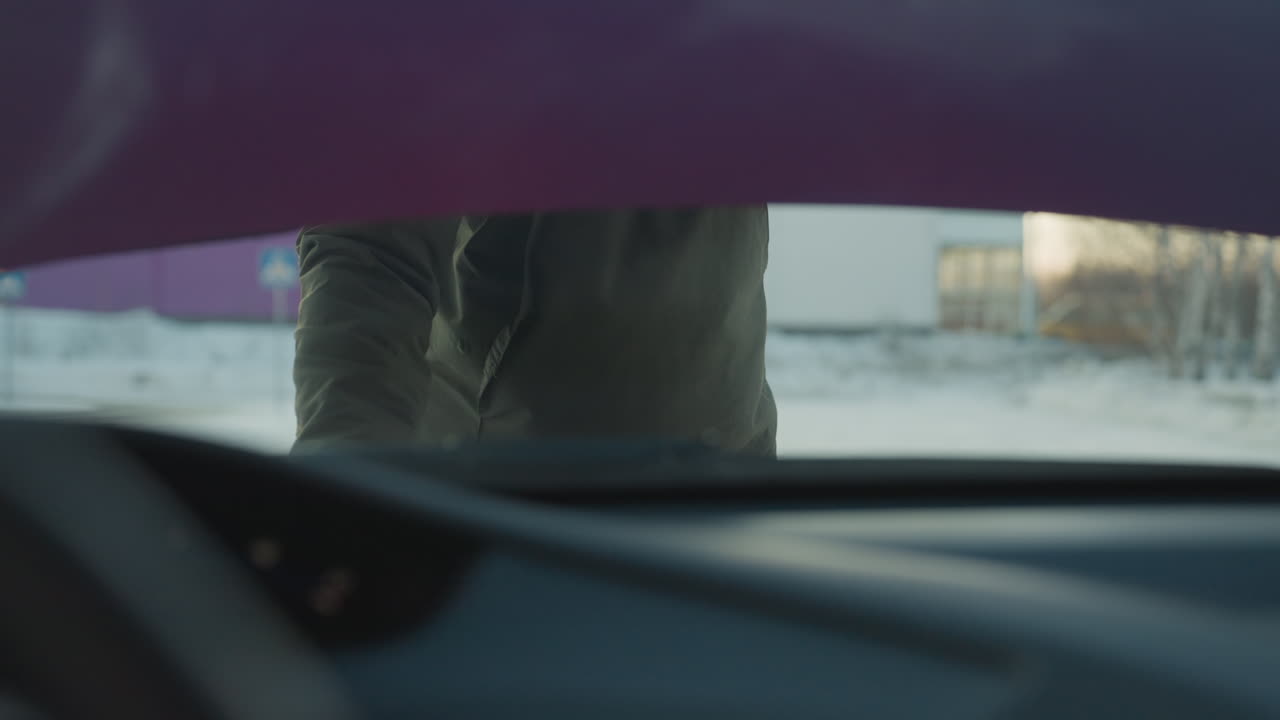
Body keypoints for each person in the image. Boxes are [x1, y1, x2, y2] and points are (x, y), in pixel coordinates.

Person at [292, 207, 776, 455]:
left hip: (721, 492)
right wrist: (344, 464)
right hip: (509, 507)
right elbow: (374, 258)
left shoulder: (755, 36)